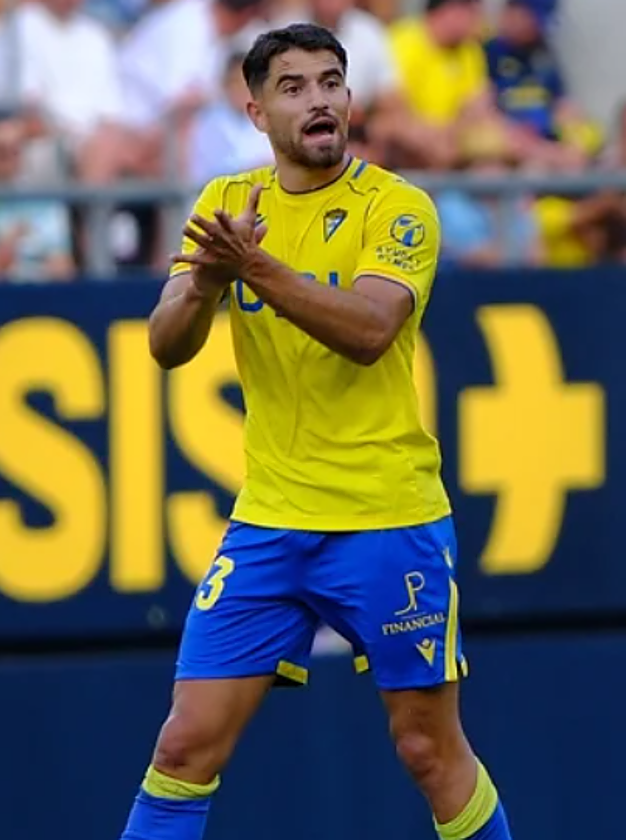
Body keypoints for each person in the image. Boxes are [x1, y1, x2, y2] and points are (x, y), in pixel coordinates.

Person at [119, 23, 513, 840]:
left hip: (386, 516)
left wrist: (254, 270)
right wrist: (205, 284)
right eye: (294, 87)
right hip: (270, 518)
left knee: (427, 750)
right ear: (256, 111)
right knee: (185, 743)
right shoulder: (224, 205)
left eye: (331, 81)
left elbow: (370, 332)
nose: (320, 100)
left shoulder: (398, 209)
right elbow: (164, 345)